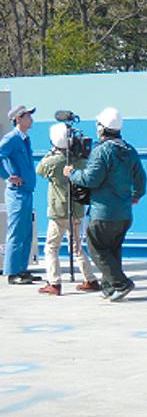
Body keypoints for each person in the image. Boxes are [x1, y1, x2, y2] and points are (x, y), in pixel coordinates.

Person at [65, 108, 146, 302]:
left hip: (103, 212)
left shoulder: (101, 151)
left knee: (96, 249)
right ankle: (109, 288)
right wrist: (135, 195)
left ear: (102, 128)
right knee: (112, 250)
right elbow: (141, 178)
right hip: (124, 213)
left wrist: (72, 174)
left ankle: (121, 284)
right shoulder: (129, 150)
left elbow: (92, 179)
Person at [36, 123, 101, 295]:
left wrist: (54, 150)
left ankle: (54, 282)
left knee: (51, 247)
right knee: (76, 246)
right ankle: (90, 279)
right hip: (77, 210)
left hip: (59, 211)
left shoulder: (53, 161)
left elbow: (39, 168)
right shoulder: (80, 160)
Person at [1, 104, 40, 285]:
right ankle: (12, 272)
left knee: (25, 233)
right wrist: (7, 177)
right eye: (27, 116)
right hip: (16, 193)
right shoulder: (11, 139)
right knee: (16, 232)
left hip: (26, 191)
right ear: (18, 119)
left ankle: (22, 270)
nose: (31, 119)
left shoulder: (24, 138)